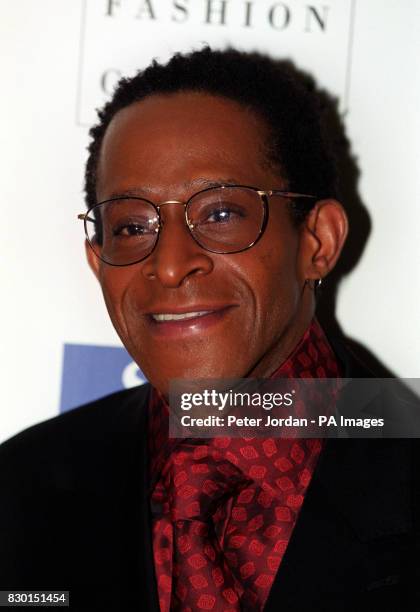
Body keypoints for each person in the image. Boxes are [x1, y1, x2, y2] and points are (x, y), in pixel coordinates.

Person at [0, 47, 417, 611]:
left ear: (317, 242)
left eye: (221, 214)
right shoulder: (20, 489)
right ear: (98, 262)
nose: (170, 264)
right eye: (131, 225)